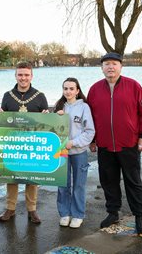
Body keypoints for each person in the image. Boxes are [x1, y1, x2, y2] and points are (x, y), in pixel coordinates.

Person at [87, 52, 142, 235]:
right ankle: (112, 213)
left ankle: (139, 216)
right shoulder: (94, 90)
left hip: (129, 144)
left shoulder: (133, 86)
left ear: (120, 67)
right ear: (102, 68)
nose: (110, 67)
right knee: (109, 181)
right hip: (105, 145)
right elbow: (90, 118)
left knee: (133, 181)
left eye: (114, 64)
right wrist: (93, 140)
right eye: (107, 64)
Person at [0, 61, 49, 224]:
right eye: (20, 74)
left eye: (26, 75)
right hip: (13, 143)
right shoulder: (7, 96)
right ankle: (10, 208)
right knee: (12, 176)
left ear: (31, 76)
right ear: (15, 76)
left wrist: (47, 115)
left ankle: (32, 210)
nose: (23, 78)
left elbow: (46, 123)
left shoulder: (40, 96)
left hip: (32, 144)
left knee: (31, 178)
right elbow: (3, 121)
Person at [54, 78, 95, 228]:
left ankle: (78, 214)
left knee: (79, 184)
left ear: (77, 91)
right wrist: (54, 117)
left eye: (72, 88)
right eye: (65, 88)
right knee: (63, 185)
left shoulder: (84, 107)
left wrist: (74, 143)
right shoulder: (59, 107)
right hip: (62, 153)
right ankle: (64, 213)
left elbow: (90, 131)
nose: (68, 91)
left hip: (78, 152)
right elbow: (51, 129)